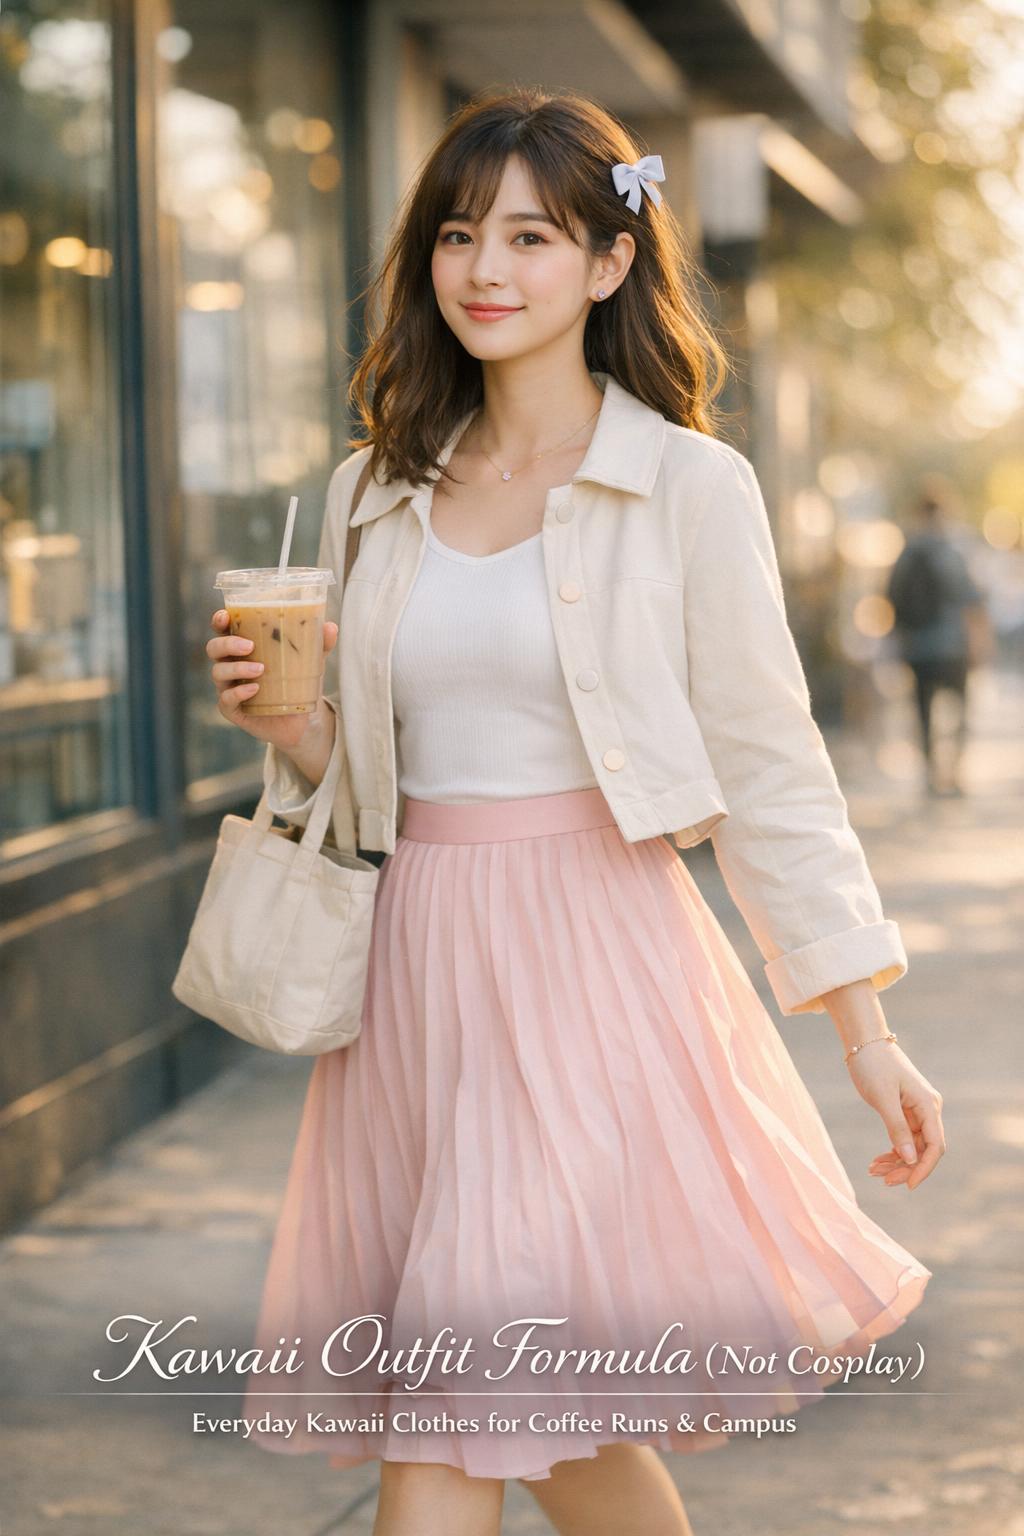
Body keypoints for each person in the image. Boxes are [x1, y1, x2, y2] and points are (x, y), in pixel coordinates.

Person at [206, 89, 944, 1536]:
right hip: (414, 980)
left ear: (610, 263)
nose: (488, 267)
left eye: (533, 236)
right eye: (460, 234)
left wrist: (866, 1027)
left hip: (596, 971)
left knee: (455, 1402)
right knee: (549, 1418)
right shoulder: (372, 491)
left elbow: (773, 772)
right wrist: (284, 725)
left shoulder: (683, 486)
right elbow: (355, 775)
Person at [886, 485, 992, 796]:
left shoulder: (906, 551)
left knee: (923, 711)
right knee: (960, 710)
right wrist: (980, 643)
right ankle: (955, 772)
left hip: (917, 647)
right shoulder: (955, 549)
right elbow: (972, 601)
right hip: (953, 646)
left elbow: (892, 598)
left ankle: (931, 773)